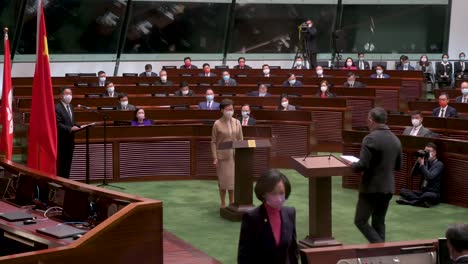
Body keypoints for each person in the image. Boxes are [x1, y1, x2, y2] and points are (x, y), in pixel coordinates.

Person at [351, 107, 402, 243]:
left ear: (370, 120)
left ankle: (380, 248)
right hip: (388, 187)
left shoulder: (370, 138)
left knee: (360, 220)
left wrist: (351, 165)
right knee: (379, 222)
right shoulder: (396, 139)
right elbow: (398, 166)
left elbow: (362, 165)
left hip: (371, 187)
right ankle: (381, 255)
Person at [238, 169, 298, 264]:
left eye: (281, 193)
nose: (278, 198)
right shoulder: (252, 217)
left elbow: (293, 251)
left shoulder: (290, 213)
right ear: (264, 194)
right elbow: (244, 256)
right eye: (273, 193)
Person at [211, 99, 243, 208]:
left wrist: (241, 154)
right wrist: (215, 157)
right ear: (222, 110)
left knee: (232, 183)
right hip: (222, 157)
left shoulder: (237, 122)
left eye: (232, 109)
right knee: (223, 182)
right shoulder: (217, 124)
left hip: (235, 156)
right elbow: (214, 142)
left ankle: (232, 202)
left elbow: (240, 139)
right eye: (228, 109)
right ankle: (223, 203)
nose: (230, 111)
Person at [397, 143, 443, 208]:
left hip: (433, 193)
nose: (426, 153)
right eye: (425, 151)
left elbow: (430, 176)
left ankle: (409, 202)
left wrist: (422, 165)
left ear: (434, 153)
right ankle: (422, 202)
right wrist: (418, 162)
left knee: (427, 195)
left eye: (428, 151)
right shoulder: (425, 162)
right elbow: (413, 174)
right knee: (403, 191)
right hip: (422, 192)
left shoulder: (439, 164)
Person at [56, 87, 80, 178]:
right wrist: (70, 129)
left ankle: (66, 180)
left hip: (70, 140)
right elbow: (58, 124)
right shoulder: (57, 107)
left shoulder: (70, 106)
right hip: (61, 141)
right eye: (67, 94)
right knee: (61, 163)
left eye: (71, 93)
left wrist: (79, 126)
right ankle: (61, 180)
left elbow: (71, 122)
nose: (69, 96)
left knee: (68, 163)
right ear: (61, 95)